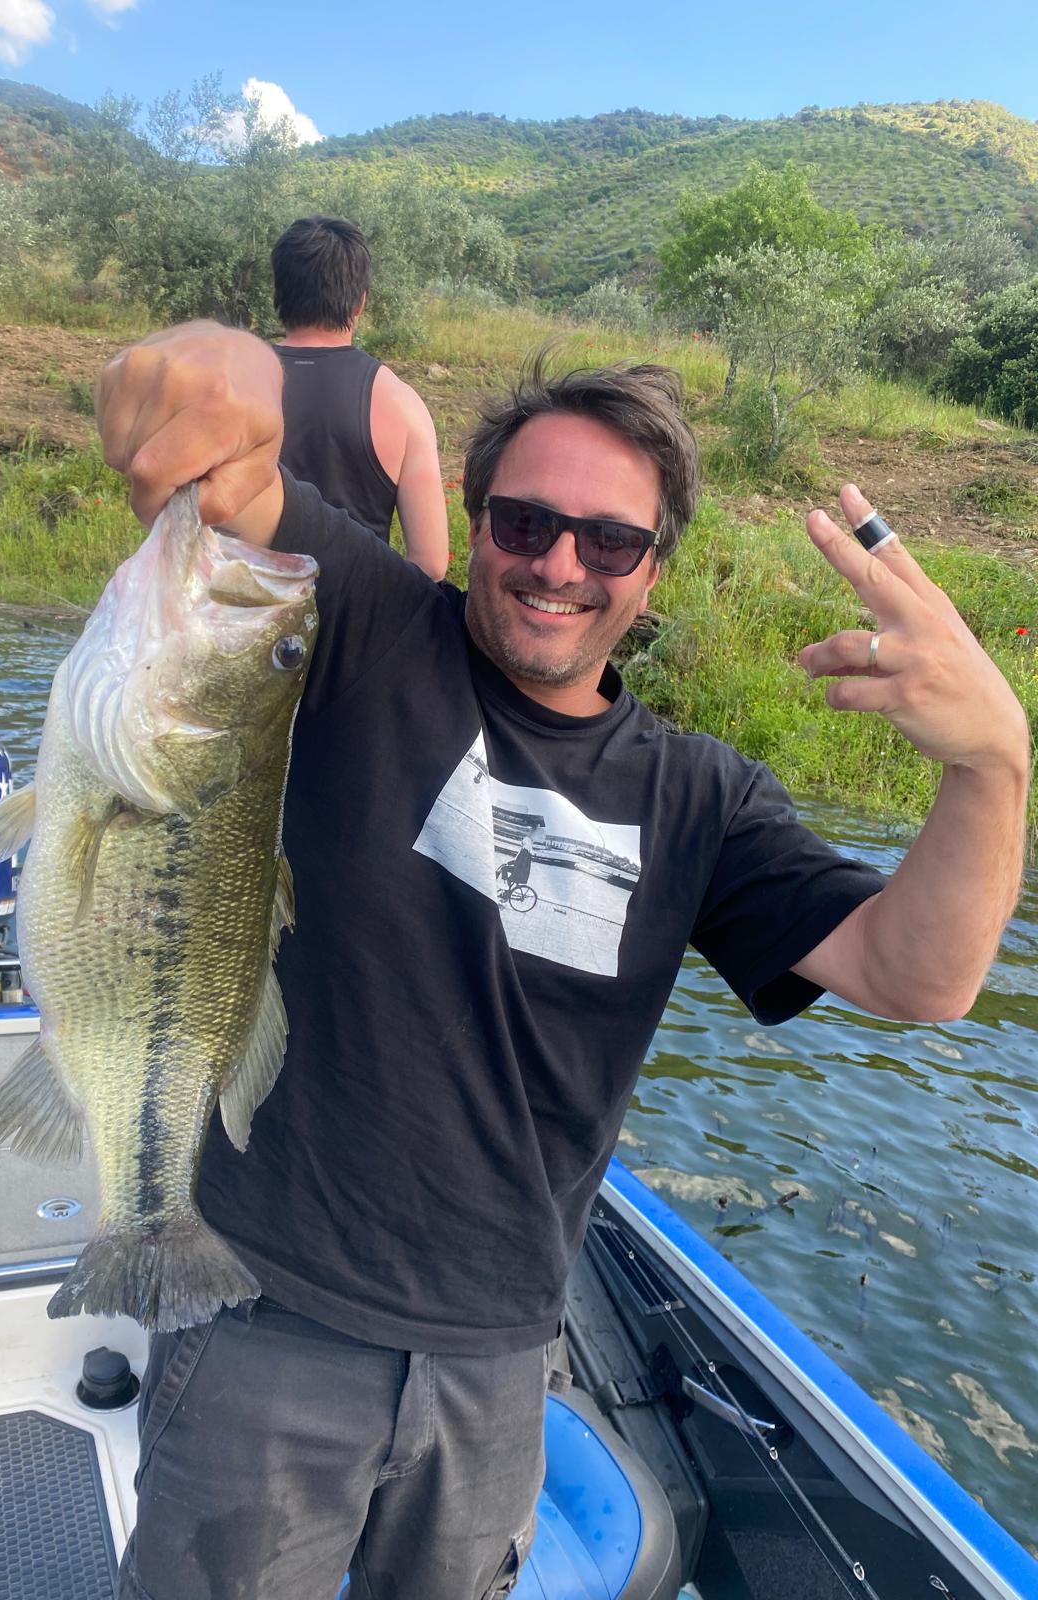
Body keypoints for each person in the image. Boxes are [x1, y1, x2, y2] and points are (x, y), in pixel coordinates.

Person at [96, 321, 1029, 1600]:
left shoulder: (699, 798)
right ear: (477, 519)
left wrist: (993, 764)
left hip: (499, 1367)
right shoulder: (371, 623)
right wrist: (219, 375)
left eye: (610, 541)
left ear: (653, 571)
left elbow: (921, 977)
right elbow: (229, 469)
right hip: (268, 1312)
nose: (559, 565)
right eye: (525, 522)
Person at [271, 214, 449, 579]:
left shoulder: (231, 388)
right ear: (360, 303)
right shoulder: (401, 403)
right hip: (354, 611)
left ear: (279, 294)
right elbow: (431, 563)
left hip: (244, 611)